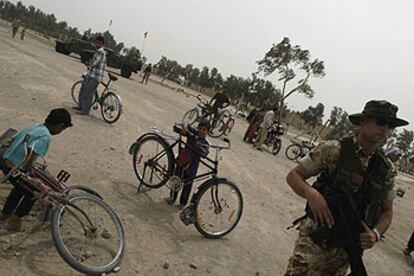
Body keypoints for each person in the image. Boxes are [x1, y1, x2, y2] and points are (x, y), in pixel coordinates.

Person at [284, 100, 408, 275]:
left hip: (347, 250)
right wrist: (311, 194)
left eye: (391, 125)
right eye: (380, 122)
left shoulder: (386, 170)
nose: (385, 129)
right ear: (363, 121)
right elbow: (294, 176)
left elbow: (387, 211)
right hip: (315, 242)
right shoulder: (333, 150)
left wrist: (375, 234)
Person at [0, 108, 72, 232]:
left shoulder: (35, 127)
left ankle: (6, 213)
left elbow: (14, 138)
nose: (61, 131)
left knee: (21, 187)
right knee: (34, 192)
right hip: (14, 167)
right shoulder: (46, 136)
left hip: (7, 161)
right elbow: (31, 153)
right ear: (60, 125)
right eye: (63, 129)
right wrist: (30, 170)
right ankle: (15, 221)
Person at [165, 120, 210, 207]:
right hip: (182, 161)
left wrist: (200, 147)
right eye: (200, 128)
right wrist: (185, 128)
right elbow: (185, 122)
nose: (201, 131)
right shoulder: (193, 133)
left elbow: (205, 154)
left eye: (204, 130)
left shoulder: (205, 144)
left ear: (207, 132)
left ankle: (183, 203)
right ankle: (172, 197)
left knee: (187, 185)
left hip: (192, 167)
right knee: (176, 179)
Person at [74, 36, 107, 115]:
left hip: (95, 76)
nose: (96, 44)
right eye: (96, 42)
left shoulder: (101, 52)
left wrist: (89, 64)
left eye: (98, 43)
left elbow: (95, 63)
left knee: (88, 93)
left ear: (102, 44)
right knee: (83, 89)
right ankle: (80, 106)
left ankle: (85, 110)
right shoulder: (97, 51)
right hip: (91, 74)